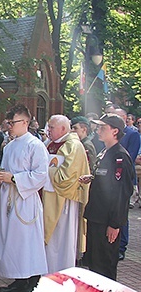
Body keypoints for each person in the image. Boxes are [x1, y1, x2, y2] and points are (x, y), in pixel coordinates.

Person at [0, 104, 48, 292]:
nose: (9, 126)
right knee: (11, 241)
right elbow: (6, 170)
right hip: (8, 198)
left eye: (12, 122)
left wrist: (13, 178)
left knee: (26, 242)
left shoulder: (35, 145)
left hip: (25, 200)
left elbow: (41, 176)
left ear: (25, 122)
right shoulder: (11, 145)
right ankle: (18, 279)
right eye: (8, 122)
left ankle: (32, 282)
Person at [80, 114, 134, 280]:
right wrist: (93, 178)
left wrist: (114, 224)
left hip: (106, 220)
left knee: (105, 266)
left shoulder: (120, 156)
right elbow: (107, 180)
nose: (98, 130)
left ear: (115, 131)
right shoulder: (106, 152)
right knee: (95, 264)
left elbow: (122, 192)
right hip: (96, 216)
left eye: (103, 127)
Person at [41, 115, 90, 273]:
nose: (48, 130)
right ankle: (47, 273)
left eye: (52, 127)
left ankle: (63, 274)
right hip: (49, 196)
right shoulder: (50, 144)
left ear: (63, 129)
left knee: (62, 241)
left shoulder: (73, 146)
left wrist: (43, 171)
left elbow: (66, 177)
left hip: (64, 200)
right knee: (51, 242)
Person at [113, 108, 138, 260]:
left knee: (122, 213)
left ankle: (122, 246)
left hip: (125, 177)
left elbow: (131, 156)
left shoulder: (133, 134)